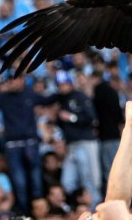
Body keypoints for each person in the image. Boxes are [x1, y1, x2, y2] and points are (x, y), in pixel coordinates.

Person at [0, 74, 55, 214]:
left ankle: (40, 213)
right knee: (19, 183)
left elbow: (47, 100)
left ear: (22, 80)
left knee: (36, 182)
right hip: (13, 145)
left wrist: (66, 93)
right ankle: (25, 214)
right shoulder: (4, 98)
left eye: (15, 79)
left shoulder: (30, 94)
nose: (12, 82)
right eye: (10, 80)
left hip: (30, 143)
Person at [49, 70, 101, 205]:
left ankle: (95, 210)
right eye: (59, 85)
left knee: (90, 180)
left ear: (70, 83)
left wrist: (72, 117)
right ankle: (77, 208)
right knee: (67, 182)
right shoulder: (60, 100)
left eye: (65, 84)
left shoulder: (80, 96)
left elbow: (93, 118)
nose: (62, 87)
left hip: (86, 142)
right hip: (71, 145)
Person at [90, 70, 124, 192]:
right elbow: (119, 118)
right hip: (113, 136)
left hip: (104, 137)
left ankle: (113, 193)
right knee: (115, 167)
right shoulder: (112, 93)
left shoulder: (98, 92)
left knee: (109, 168)